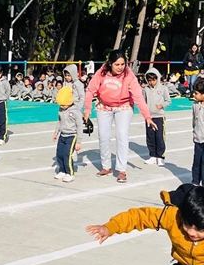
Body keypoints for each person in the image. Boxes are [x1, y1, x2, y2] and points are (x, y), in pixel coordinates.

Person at [83, 49, 157, 184]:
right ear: (110, 63)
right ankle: (106, 167)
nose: (120, 67)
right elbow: (90, 91)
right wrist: (87, 110)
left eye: (123, 64)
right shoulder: (101, 73)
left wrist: (147, 117)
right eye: (117, 64)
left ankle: (121, 169)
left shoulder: (129, 76)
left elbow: (138, 97)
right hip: (104, 106)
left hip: (124, 106)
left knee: (122, 135)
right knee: (103, 136)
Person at [53, 87, 84, 183]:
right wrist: (56, 132)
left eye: (64, 104)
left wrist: (78, 142)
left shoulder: (75, 111)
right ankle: (62, 170)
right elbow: (59, 121)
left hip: (71, 136)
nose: (62, 106)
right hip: (62, 135)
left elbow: (80, 126)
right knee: (59, 154)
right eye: (60, 105)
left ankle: (70, 173)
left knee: (67, 155)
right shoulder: (61, 110)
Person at [142, 68, 171, 166]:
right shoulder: (146, 89)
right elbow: (143, 101)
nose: (152, 82)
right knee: (150, 136)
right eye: (149, 80)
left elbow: (168, 100)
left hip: (159, 116)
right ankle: (153, 156)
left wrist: (161, 105)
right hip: (149, 117)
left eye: (154, 80)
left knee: (159, 137)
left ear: (157, 78)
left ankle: (160, 156)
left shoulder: (163, 88)